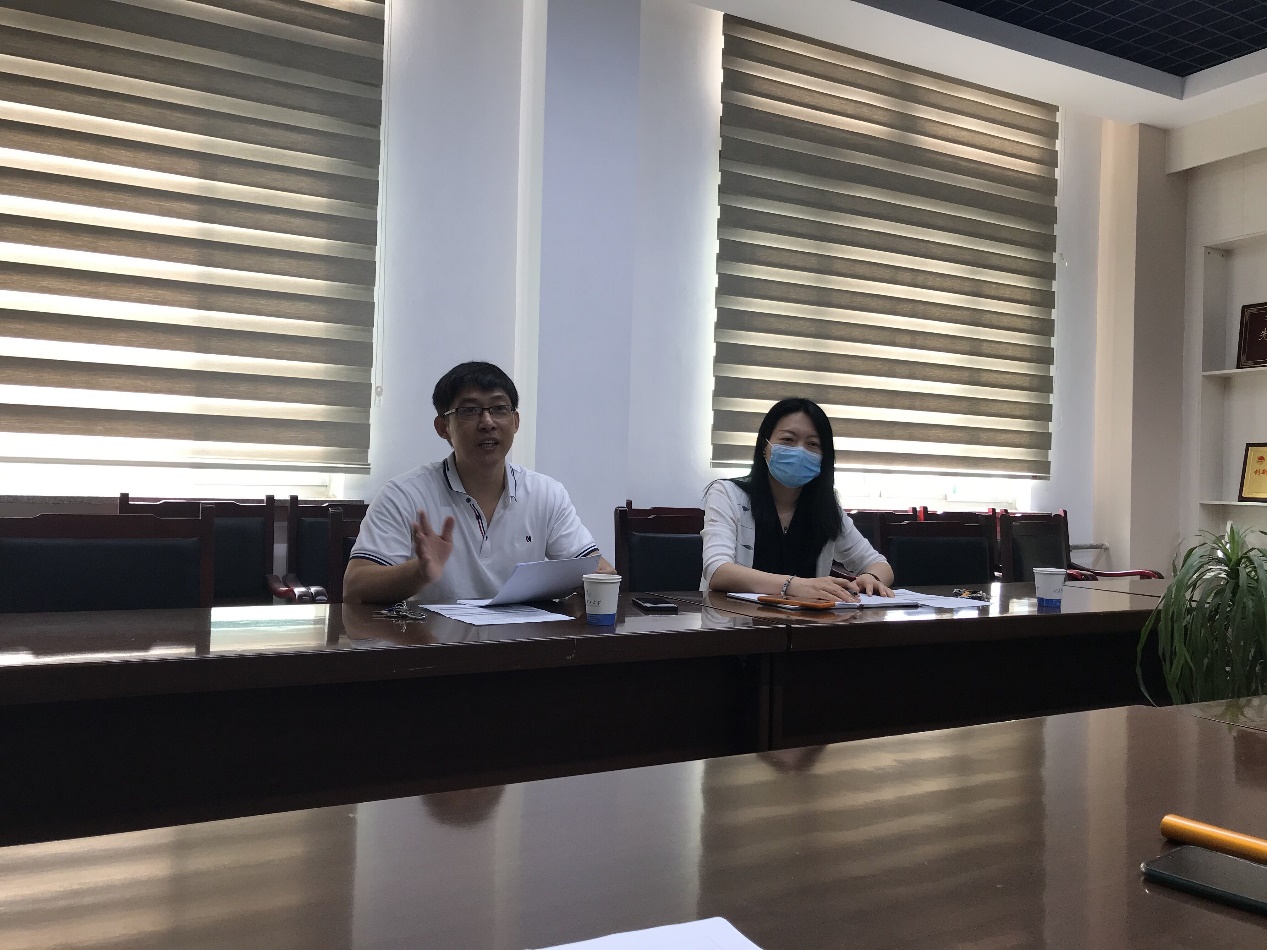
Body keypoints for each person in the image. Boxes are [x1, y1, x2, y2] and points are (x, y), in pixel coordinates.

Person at [344, 361, 612, 604]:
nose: (487, 423)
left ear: (515, 421)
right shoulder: (404, 495)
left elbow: (596, 568)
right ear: (442, 427)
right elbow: (354, 587)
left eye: (499, 409)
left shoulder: (546, 494)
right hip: (434, 640)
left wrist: (600, 575)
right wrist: (419, 572)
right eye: (470, 411)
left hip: (521, 638)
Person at [702, 397, 894, 602]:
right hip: (733, 617)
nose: (800, 451)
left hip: (809, 620)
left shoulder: (825, 508)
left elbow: (879, 564)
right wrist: (793, 585)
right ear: (764, 446)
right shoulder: (727, 494)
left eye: (812, 444)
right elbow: (717, 571)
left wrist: (871, 577)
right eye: (788, 440)